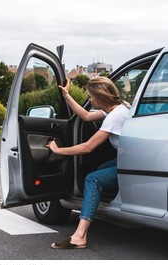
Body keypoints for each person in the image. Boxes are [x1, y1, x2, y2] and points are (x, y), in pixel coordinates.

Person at [47, 76, 130, 249]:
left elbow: (88, 147)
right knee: (100, 169)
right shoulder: (119, 108)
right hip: (127, 158)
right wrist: (66, 95)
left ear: (100, 96)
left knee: (92, 179)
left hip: (130, 164)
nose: (89, 100)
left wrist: (58, 150)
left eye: (90, 96)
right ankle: (104, 203)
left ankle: (80, 235)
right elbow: (84, 116)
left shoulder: (114, 117)